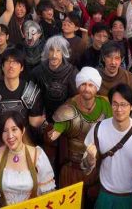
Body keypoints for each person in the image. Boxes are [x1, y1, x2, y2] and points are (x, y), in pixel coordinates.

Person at [49, 67, 112, 207]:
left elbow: (114, 129)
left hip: (96, 168)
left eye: (90, 85)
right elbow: (53, 135)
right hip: (72, 169)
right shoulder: (68, 107)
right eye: (83, 84)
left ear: (96, 87)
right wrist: (49, 133)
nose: (86, 88)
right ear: (78, 86)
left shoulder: (105, 105)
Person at [82, 84, 132, 209]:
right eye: (115, 104)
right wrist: (90, 160)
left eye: (123, 104)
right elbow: (85, 168)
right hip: (106, 196)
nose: (119, 109)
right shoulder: (98, 129)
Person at [0, 111, 55, 208]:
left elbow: (48, 196)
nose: (10, 136)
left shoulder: (37, 156)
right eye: (5, 131)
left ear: (22, 131)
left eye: (14, 129)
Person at [0, 47, 45, 143]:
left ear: (22, 67)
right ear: (2, 66)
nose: (11, 65)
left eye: (15, 62)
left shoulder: (31, 91)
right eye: (7, 61)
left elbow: (35, 127)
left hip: (23, 141)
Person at [30, 36, 78, 120]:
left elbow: (75, 99)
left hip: (66, 117)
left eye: (58, 51)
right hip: (42, 116)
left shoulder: (72, 72)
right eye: (51, 50)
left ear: (63, 53)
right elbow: (32, 99)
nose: (54, 55)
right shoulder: (37, 72)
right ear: (47, 52)